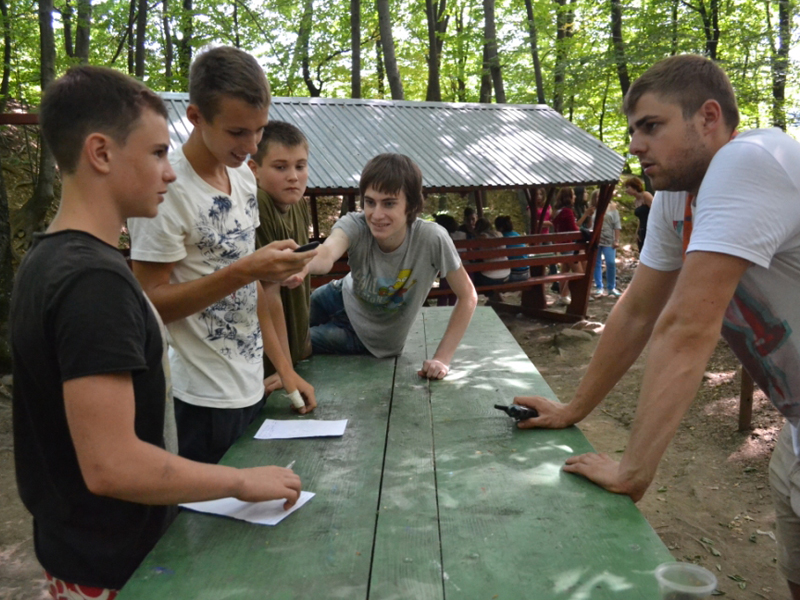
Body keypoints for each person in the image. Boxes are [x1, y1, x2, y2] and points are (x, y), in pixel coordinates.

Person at [512, 54, 800, 599]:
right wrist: (574, 409)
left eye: (652, 126)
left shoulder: (752, 159)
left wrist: (633, 469)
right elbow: (639, 311)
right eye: (633, 131)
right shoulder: (675, 196)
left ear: (709, 117)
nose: (636, 145)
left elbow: (687, 326)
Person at [10, 65, 303, 598]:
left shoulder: (48, 259)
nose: (169, 173)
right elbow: (112, 466)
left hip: (79, 549)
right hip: (115, 566)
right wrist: (239, 481)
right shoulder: (92, 283)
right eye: (156, 153)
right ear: (100, 153)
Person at [128, 46, 317, 465]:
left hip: (252, 387)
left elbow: (261, 292)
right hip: (199, 398)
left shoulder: (244, 179)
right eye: (237, 133)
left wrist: (286, 371)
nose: (251, 146)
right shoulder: (166, 189)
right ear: (195, 117)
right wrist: (244, 270)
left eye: (259, 130)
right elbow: (150, 305)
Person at [300, 153, 478, 379]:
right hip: (338, 295)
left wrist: (442, 358)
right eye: (370, 202)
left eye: (389, 203)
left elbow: (468, 295)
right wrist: (301, 264)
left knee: (293, 344)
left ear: (411, 205)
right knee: (277, 330)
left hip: (366, 337)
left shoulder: (431, 238)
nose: (376, 214)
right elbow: (326, 254)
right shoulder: (355, 224)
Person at [247, 121, 313, 386]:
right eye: (280, 167)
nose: (293, 176)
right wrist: (285, 370)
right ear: (255, 170)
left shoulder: (298, 205)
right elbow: (268, 289)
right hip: (270, 367)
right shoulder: (259, 203)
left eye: (300, 166)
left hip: (293, 356)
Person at [551, 186, 585, 306]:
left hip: (561, 246)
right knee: (579, 273)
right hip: (569, 246)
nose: (575, 197)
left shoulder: (557, 211)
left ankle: (563, 296)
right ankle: (578, 297)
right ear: (568, 197)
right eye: (573, 195)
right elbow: (573, 229)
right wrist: (583, 231)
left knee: (564, 271)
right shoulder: (567, 211)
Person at [590, 189, 622, 297]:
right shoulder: (592, 209)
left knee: (611, 263)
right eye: (598, 196)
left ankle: (611, 287)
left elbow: (617, 226)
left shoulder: (613, 208)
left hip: (609, 240)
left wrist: (616, 240)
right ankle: (599, 287)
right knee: (596, 263)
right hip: (596, 240)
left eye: (602, 196)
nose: (600, 198)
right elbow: (589, 225)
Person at [470, 217, 510, 298]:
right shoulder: (499, 234)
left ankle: (492, 297)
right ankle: (495, 298)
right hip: (506, 275)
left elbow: (473, 255)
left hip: (490, 279)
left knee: (473, 276)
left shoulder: (481, 237)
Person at [433, 213, 465, 307]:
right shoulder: (463, 235)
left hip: (445, 272)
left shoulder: (438, 237)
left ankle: (441, 306)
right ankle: (452, 306)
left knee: (445, 274)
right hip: (463, 271)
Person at [495, 215, 529, 282]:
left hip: (511, 275)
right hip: (526, 274)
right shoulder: (517, 235)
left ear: (500, 228)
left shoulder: (501, 239)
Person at [626, 176, 653, 252]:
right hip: (643, 228)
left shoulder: (646, 195)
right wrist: (637, 232)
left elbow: (655, 211)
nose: (626, 190)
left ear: (634, 186)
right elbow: (640, 219)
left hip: (650, 227)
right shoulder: (636, 201)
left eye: (628, 187)